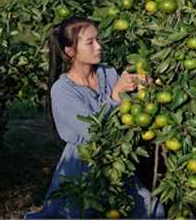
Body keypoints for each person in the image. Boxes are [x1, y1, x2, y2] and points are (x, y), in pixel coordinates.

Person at [24, 16, 165, 219]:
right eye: (90, 42)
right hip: (82, 165)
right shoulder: (62, 90)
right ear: (70, 51)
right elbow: (93, 131)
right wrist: (116, 95)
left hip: (116, 161)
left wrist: (143, 89)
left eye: (98, 40)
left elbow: (127, 113)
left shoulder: (107, 73)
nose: (98, 47)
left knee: (153, 212)